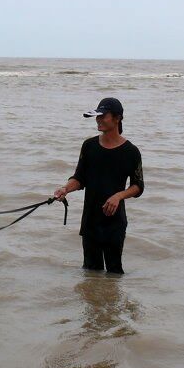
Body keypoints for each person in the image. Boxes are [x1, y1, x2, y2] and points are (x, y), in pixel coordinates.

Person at [53, 97, 144, 274]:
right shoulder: (89, 146)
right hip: (90, 221)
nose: (98, 120)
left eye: (103, 116)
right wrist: (65, 189)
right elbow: (80, 178)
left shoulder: (131, 152)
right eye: (97, 116)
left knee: (114, 273)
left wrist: (118, 196)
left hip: (114, 222)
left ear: (117, 118)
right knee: (90, 273)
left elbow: (138, 186)